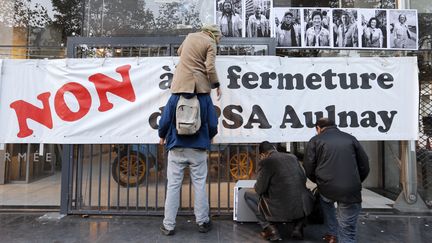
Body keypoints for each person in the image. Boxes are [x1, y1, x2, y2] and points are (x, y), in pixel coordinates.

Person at [158, 92, 219, 236]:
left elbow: (165, 120)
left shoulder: (175, 96)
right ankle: (202, 222)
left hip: (177, 146)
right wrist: (208, 137)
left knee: (173, 186)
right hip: (198, 147)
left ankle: (168, 225)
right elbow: (212, 123)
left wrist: (162, 135)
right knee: (199, 184)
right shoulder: (204, 97)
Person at [304, 118, 370, 243]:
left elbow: (308, 167)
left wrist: (319, 181)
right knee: (347, 228)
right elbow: (364, 164)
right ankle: (342, 238)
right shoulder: (350, 138)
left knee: (327, 207)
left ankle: (332, 235)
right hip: (350, 189)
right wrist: (356, 181)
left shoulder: (315, 140)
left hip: (326, 187)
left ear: (318, 128)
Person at [244, 141, 311, 241]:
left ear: (262, 154)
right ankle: (298, 227)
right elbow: (303, 178)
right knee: (298, 193)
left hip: (281, 206)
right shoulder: (292, 157)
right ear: (274, 149)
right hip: (301, 204)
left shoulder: (266, 162)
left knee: (247, 195)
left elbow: (259, 189)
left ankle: (270, 229)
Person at [170, 24, 222, 99]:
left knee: (171, 109)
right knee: (207, 109)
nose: (218, 42)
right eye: (219, 38)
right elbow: (210, 67)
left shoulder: (190, 36)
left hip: (179, 84)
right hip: (197, 86)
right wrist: (216, 85)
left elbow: (179, 52)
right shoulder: (211, 42)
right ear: (214, 35)